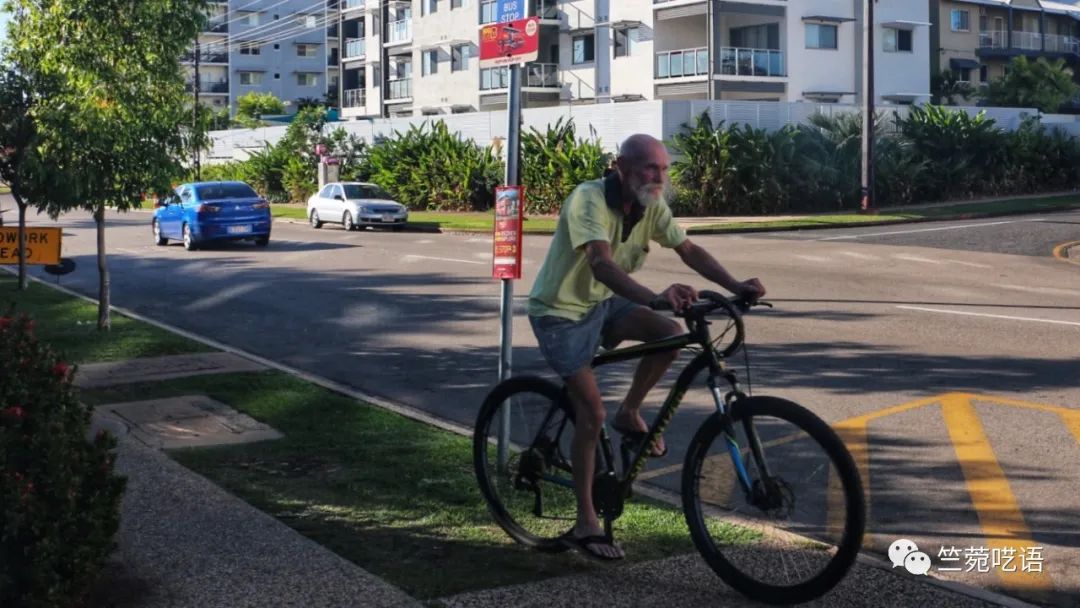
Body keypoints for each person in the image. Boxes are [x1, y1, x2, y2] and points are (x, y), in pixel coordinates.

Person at [527, 134, 766, 561]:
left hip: (602, 302)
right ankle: (585, 523)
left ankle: (630, 412)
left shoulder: (650, 204)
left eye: (663, 169)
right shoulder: (589, 199)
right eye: (648, 168)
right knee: (589, 412)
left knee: (668, 334)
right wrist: (653, 296)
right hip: (560, 312)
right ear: (621, 166)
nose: (658, 176)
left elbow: (688, 248)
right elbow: (600, 261)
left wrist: (735, 285)